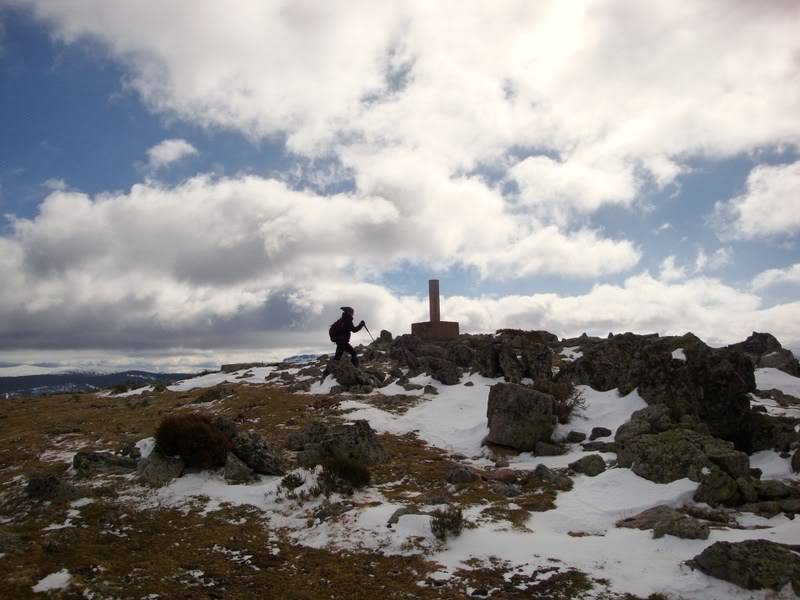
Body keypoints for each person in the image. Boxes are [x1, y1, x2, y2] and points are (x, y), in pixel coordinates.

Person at [321, 306, 365, 381]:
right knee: (353, 353)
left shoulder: (342, 319)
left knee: (337, 357)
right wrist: (361, 325)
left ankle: (326, 373)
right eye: (352, 312)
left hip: (340, 341)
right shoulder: (347, 320)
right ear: (349, 312)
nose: (352, 314)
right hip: (343, 342)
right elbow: (354, 330)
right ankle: (355, 370)